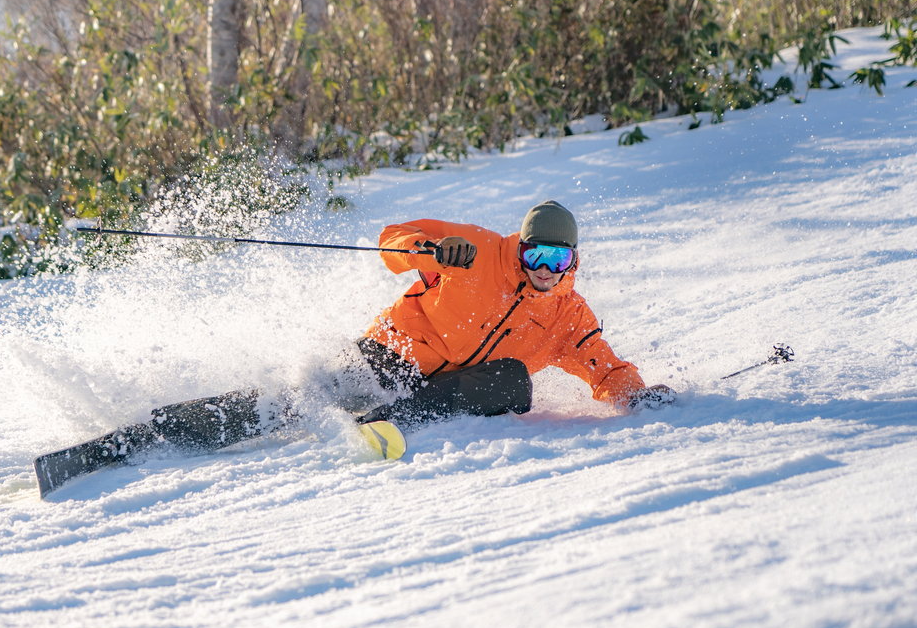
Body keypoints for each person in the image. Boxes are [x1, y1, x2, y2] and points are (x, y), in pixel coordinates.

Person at [36, 201, 675, 490]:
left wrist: (637, 396)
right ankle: (143, 434)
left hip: (432, 394)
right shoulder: (477, 250)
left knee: (513, 382)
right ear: (520, 244)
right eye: (535, 252)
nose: (543, 266)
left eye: (557, 258)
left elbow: (605, 370)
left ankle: (387, 425)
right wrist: (429, 250)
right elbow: (390, 242)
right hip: (386, 356)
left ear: (573, 260)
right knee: (285, 403)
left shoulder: (568, 316)